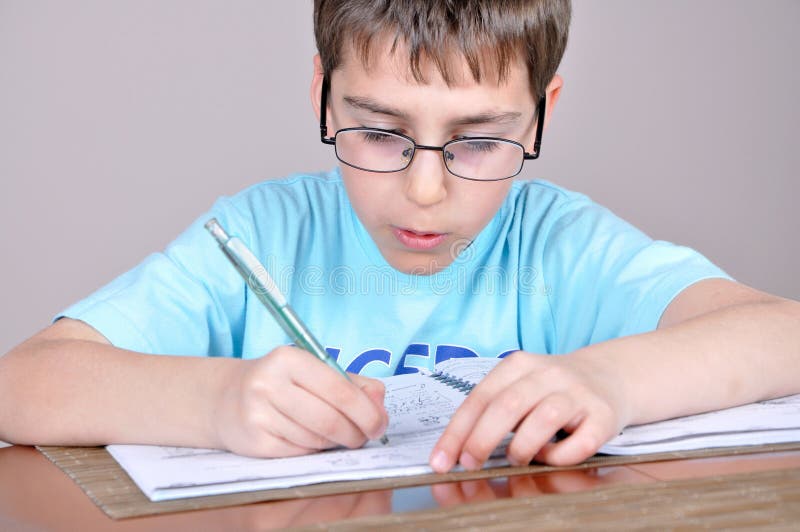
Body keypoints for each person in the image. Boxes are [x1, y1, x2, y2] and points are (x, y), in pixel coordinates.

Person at [1, 0, 798, 474]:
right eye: (380, 133)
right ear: (323, 96)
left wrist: (612, 382)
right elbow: (22, 385)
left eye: (480, 142)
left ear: (544, 112)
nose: (425, 190)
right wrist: (215, 402)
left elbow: (783, 334)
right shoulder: (265, 234)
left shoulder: (558, 245)